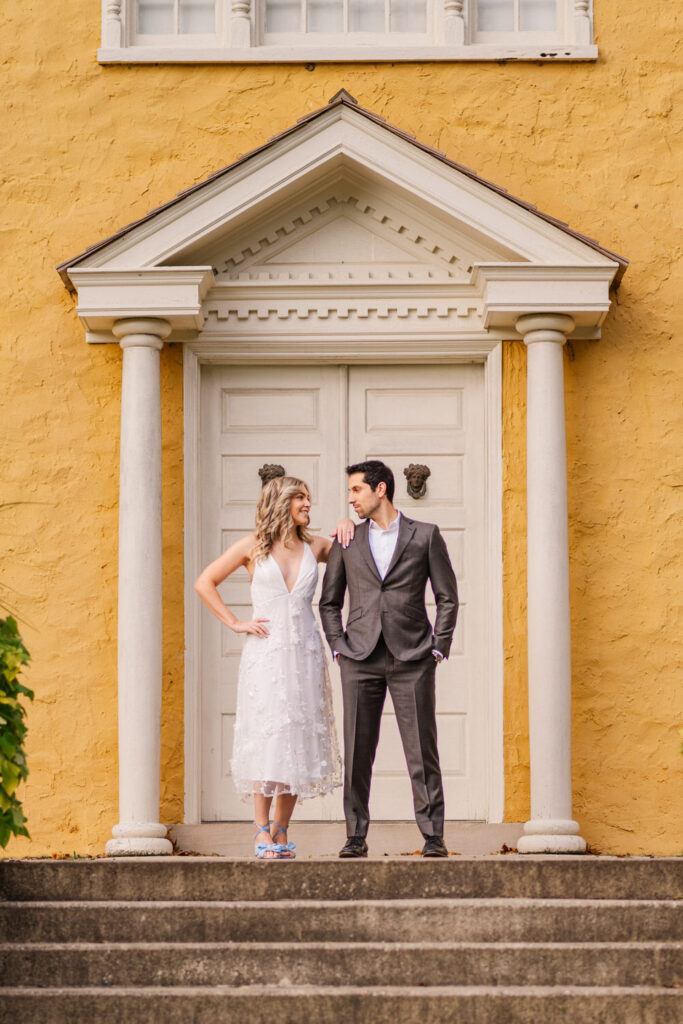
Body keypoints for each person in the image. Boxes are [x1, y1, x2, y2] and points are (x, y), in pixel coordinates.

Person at [195, 475, 351, 859]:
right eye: (300, 498)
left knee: (298, 739)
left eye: (309, 499)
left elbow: (356, 549)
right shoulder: (252, 547)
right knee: (268, 738)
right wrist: (235, 622)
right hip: (266, 656)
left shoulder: (315, 546)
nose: (307, 505)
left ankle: (282, 832)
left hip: (304, 654)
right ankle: (260, 830)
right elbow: (205, 582)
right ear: (280, 501)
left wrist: (349, 524)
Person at [319, 460, 459, 859]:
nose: (351, 498)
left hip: (412, 656)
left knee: (421, 750)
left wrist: (438, 646)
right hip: (359, 658)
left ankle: (433, 836)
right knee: (358, 750)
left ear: (381, 490)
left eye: (356, 490)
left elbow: (447, 596)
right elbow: (329, 602)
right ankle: (355, 836)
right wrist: (338, 645)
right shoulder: (347, 540)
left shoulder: (425, 536)